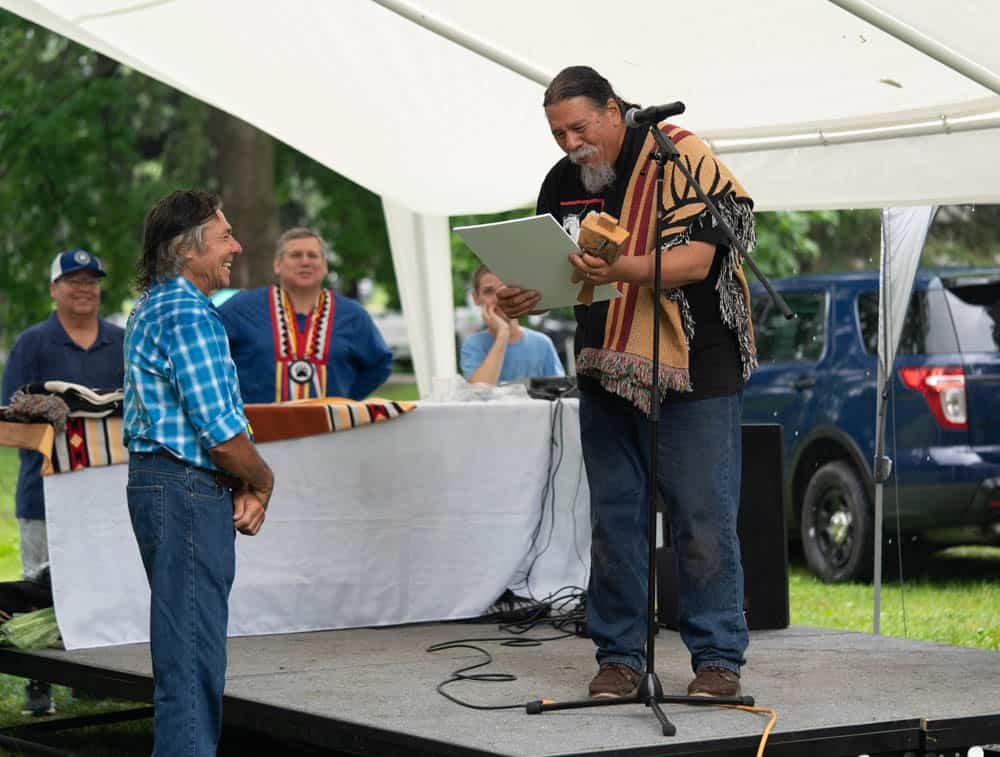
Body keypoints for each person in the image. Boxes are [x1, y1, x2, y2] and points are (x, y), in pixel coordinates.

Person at [498, 66, 757, 699]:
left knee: (702, 516)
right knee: (615, 519)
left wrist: (625, 265)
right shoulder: (562, 183)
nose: (569, 144)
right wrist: (526, 296)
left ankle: (717, 660)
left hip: (696, 363)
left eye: (579, 128)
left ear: (614, 110)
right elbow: (567, 275)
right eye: (557, 133)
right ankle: (620, 657)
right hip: (605, 365)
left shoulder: (680, 157)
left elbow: (701, 259)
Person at [124, 190, 274, 756]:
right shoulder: (187, 311)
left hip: (167, 484)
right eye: (225, 236)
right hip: (185, 489)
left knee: (187, 653)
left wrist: (241, 479)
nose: (237, 246)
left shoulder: (156, 304)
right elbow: (219, 432)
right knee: (192, 658)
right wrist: (261, 481)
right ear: (185, 249)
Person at [1, 248, 124, 716]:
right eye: (72, 281)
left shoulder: (122, 340)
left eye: (91, 280)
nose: (83, 288)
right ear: (54, 289)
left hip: (108, 491)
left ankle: (92, 675)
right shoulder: (33, 343)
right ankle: (39, 683)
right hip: (44, 492)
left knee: (102, 583)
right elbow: (9, 419)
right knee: (40, 586)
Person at [218, 227, 392, 403]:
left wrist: (347, 399)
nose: (305, 262)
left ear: (324, 266)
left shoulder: (352, 315)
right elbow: (208, 356)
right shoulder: (241, 308)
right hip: (259, 428)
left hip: (334, 429)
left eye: (313, 255)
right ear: (277, 265)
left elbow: (380, 363)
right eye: (295, 255)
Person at [459, 264, 565, 385]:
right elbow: (479, 391)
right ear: (476, 298)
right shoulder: (473, 345)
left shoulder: (542, 343)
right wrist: (502, 334)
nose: (498, 298)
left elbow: (560, 392)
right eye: (489, 291)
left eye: (504, 290)